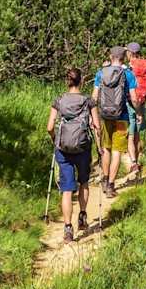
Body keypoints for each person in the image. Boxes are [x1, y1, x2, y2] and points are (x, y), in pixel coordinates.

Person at [46, 67, 101, 243]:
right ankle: (82, 216)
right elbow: (97, 126)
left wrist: (55, 139)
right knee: (84, 182)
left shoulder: (59, 100)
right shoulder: (88, 101)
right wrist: (99, 148)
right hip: (83, 148)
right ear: (82, 81)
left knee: (67, 190)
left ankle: (68, 228)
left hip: (63, 149)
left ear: (67, 81)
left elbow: (49, 126)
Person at [92, 46, 138, 197]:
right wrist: (137, 111)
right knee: (117, 151)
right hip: (122, 117)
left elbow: (94, 97)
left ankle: (105, 180)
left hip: (105, 116)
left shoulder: (100, 73)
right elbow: (134, 98)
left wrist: (93, 117)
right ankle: (111, 185)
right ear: (123, 58)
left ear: (111, 57)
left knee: (106, 148)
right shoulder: (128, 74)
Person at [125, 41, 146, 176]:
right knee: (137, 134)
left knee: (131, 136)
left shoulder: (128, 68)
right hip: (141, 104)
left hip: (129, 103)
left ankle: (133, 163)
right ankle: (137, 161)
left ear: (130, 53)